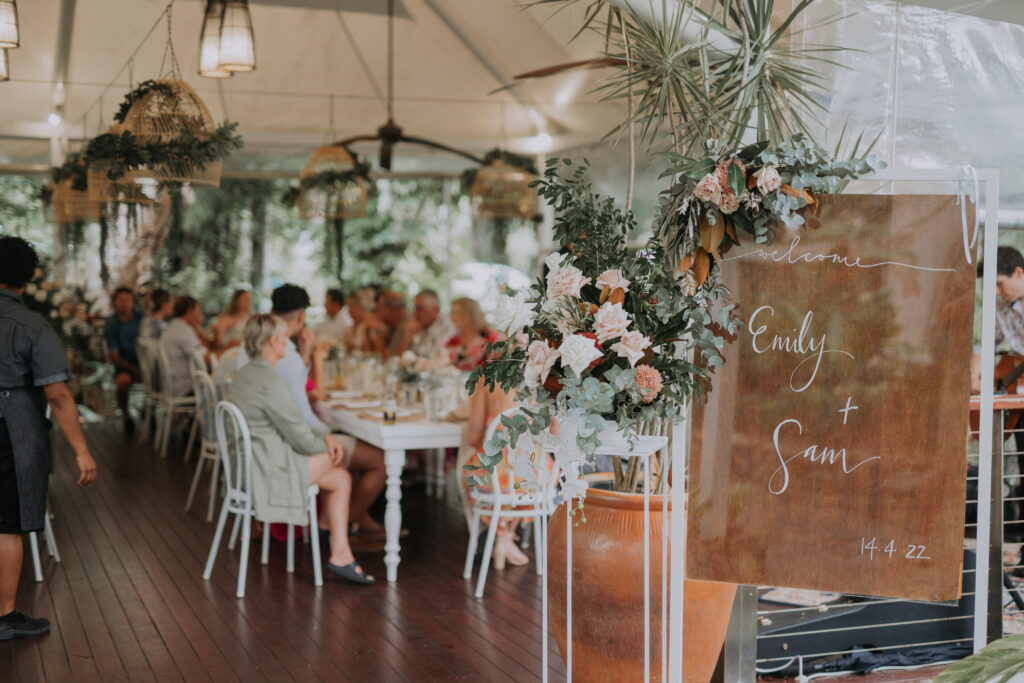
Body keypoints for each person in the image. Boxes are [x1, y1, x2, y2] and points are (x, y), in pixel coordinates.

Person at [0, 236, 98, 640]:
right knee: (6, 524)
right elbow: (57, 395)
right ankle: (4, 617)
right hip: (10, 428)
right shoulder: (33, 325)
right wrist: (82, 451)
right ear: (30, 276)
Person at [230, 315, 373, 584]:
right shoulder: (271, 383)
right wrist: (331, 444)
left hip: (248, 465)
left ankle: (340, 553)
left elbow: (294, 421)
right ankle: (328, 533)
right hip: (267, 471)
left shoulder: (244, 375)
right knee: (337, 459)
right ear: (273, 343)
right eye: (284, 337)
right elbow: (299, 438)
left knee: (341, 479)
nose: (288, 341)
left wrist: (328, 437)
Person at [271, 284, 387, 534]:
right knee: (381, 460)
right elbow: (305, 412)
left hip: (274, 439)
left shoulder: (271, 350)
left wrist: (304, 352)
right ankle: (346, 518)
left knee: (351, 442)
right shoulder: (286, 356)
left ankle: (349, 516)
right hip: (293, 445)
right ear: (301, 315)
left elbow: (295, 388)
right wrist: (314, 357)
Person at [461, 380, 530, 569]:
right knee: (521, 478)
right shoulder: (546, 378)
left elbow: (472, 438)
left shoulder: (487, 380)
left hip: (497, 478)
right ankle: (506, 535)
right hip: (535, 478)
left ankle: (499, 536)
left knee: (469, 472)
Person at [104, 286, 143, 432]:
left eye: (128, 300)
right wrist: (135, 370)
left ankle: (150, 411)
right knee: (122, 382)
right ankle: (126, 414)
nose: (124, 304)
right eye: (120, 300)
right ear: (114, 302)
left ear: (133, 302)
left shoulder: (141, 317)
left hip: (144, 361)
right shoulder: (112, 323)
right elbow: (114, 356)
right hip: (124, 363)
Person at [159, 296, 214, 397]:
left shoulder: (173, 326)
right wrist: (228, 352)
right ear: (189, 311)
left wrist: (197, 329)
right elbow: (206, 359)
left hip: (171, 386)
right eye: (198, 312)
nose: (200, 316)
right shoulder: (183, 330)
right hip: (185, 389)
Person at [446, 297, 501, 371]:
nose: (452, 317)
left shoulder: (491, 338)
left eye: (457, 312)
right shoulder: (453, 341)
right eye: (452, 312)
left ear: (471, 314)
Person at [399, 289, 455, 359]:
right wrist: (407, 336)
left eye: (419, 308)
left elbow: (437, 360)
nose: (415, 313)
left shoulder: (447, 326)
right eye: (414, 308)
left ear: (435, 310)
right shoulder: (418, 327)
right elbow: (401, 361)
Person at [365, 290, 407, 358]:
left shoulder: (404, 326)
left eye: (381, 308)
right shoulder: (390, 325)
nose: (378, 313)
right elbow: (367, 354)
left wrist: (377, 332)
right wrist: (367, 331)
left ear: (392, 309)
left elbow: (386, 360)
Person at [342, 288, 375, 353]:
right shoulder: (351, 327)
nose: (349, 312)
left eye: (351, 308)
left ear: (360, 308)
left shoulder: (370, 326)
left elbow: (367, 351)